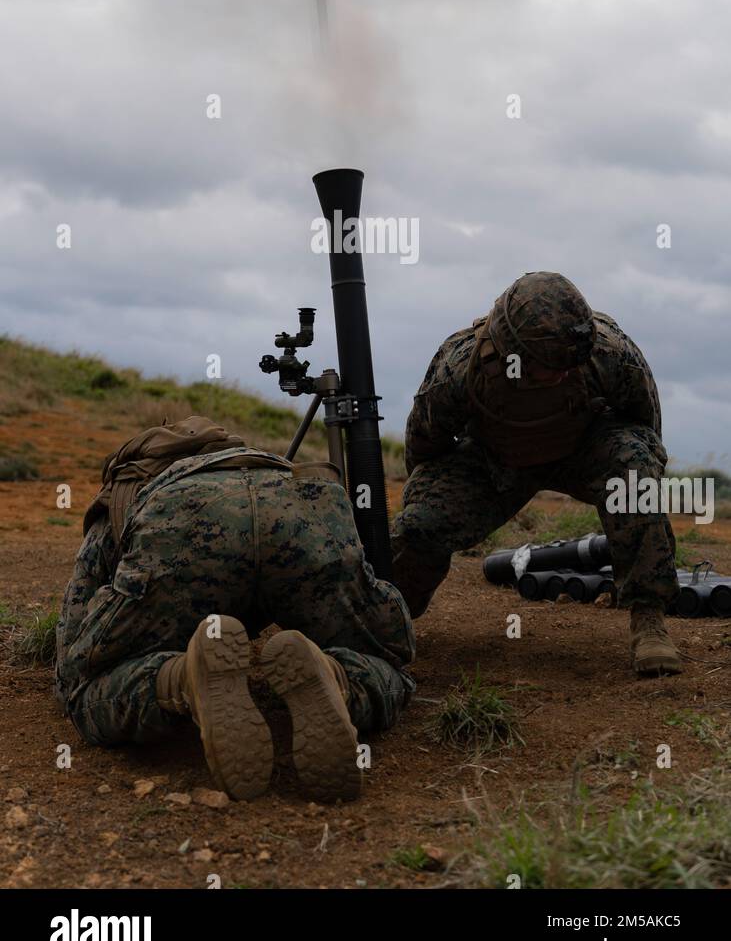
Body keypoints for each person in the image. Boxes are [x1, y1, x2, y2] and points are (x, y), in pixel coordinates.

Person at [55, 425, 415, 802]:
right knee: (387, 662)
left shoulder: (126, 484)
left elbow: (72, 652)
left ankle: (183, 680)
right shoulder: (258, 462)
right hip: (304, 501)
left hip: (182, 518)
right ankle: (336, 676)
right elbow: (396, 637)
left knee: (81, 694)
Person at [390, 272, 681, 676]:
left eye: (571, 362)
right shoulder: (460, 369)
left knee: (634, 465)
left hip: (581, 448)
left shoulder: (608, 352)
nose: (565, 371)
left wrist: (640, 477)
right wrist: (433, 510)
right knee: (420, 523)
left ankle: (648, 616)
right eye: (552, 364)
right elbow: (425, 442)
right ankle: (389, 617)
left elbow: (644, 420)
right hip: (496, 462)